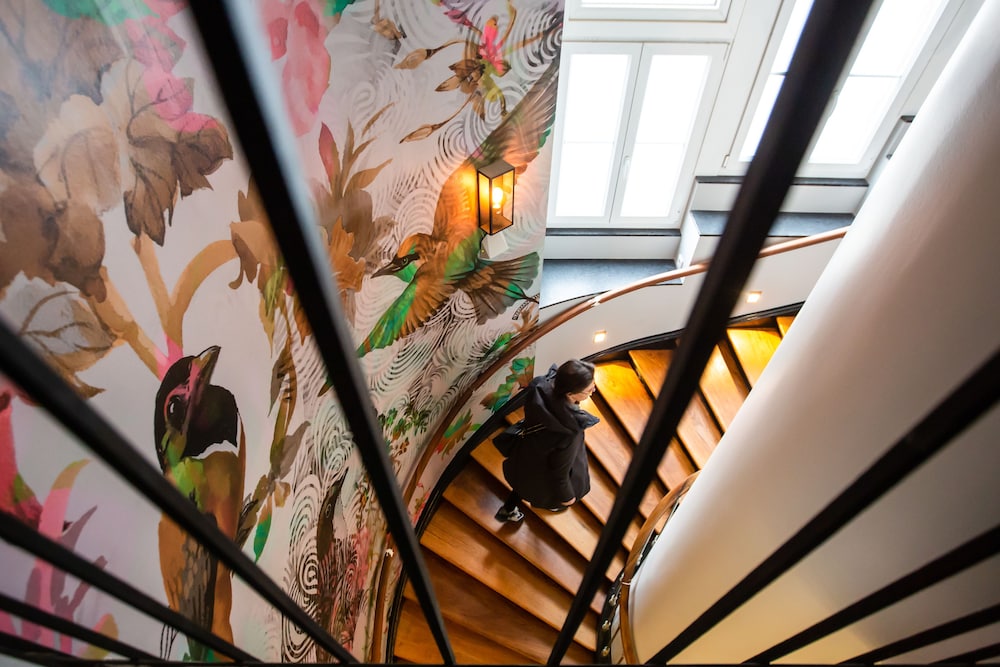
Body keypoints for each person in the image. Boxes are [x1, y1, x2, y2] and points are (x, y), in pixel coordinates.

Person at [495, 359, 600, 523]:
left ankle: (507, 511)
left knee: (523, 482)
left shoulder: (539, 387)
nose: (594, 390)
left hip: (525, 454)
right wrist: (567, 497)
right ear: (570, 394)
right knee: (541, 490)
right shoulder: (570, 430)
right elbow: (560, 472)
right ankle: (541, 507)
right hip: (543, 472)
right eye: (588, 390)